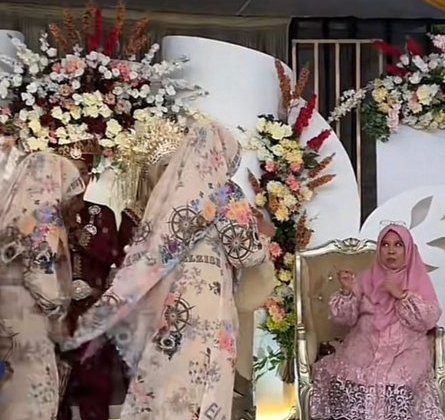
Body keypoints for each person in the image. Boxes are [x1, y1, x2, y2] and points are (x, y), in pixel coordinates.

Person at [62, 119, 276, 419]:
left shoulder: (173, 193)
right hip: (207, 299)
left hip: (171, 300)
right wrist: (264, 236)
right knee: (204, 374)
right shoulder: (225, 191)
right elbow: (244, 252)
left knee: (170, 375)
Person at [310, 224, 445, 420]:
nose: (391, 250)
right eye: (385, 244)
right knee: (347, 377)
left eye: (398, 245)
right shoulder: (366, 278)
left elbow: (427, 320)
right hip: (365, 343)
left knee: (395, 380)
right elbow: (344, 320)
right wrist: (348, 291)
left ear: (407, 250)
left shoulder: (417, 280)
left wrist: (402, 295)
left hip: (405, 348)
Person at [0, 151, 84, 419]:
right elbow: (43, 276)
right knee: (32, 390)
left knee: (11, 388)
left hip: (6, 312)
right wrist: (61, 307)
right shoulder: (44, 216)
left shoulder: (13, 215)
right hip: (29, 316)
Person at [57, 152, 123, 420]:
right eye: (70, 172)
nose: (76, 178)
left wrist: (75, 228)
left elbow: (112, 255)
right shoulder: (42, 215)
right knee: (50, 386)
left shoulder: (101, 214)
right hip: (53, 315)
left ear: (90, 177)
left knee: (94, 387)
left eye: (82, 172)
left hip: (92, 313)